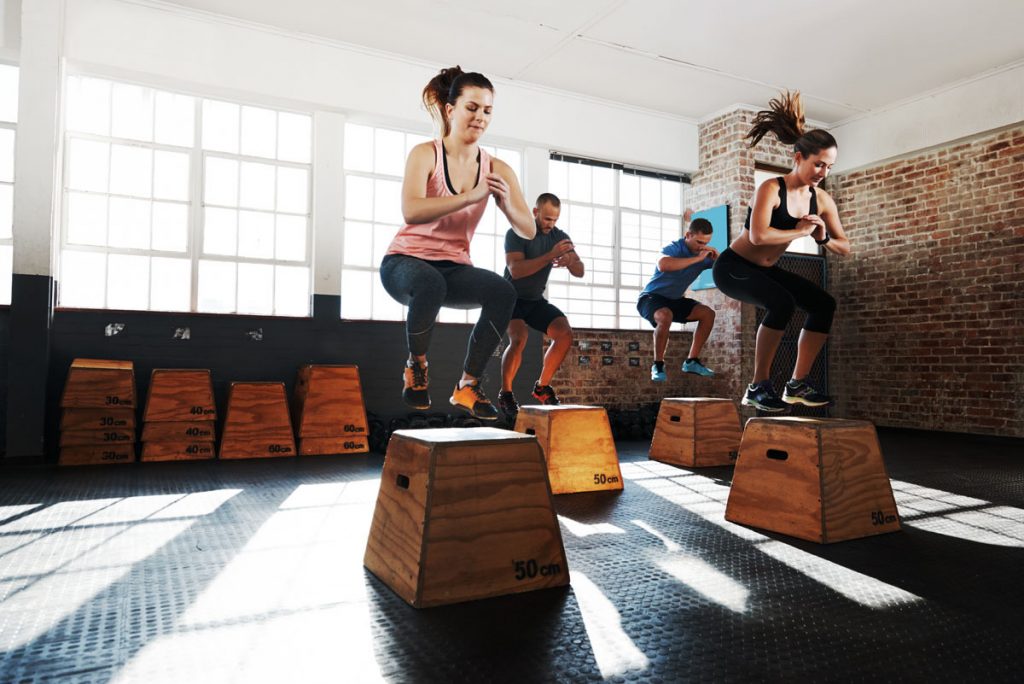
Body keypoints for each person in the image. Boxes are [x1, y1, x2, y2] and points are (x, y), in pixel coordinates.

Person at [380, 66, 535, 420]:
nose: (480, 117)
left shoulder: (497, 168)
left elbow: (527, 230)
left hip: (452, 269)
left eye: (487, 111)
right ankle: (416, 369)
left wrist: (508, 202)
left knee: (502, 292)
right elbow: (411, 210)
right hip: (404, 262)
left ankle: (467, 385)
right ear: (451, 110)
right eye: (472, 107)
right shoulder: (426, 154)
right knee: (429, 284)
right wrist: (471, 197)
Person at [712, 90, 851, 412]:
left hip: (766, 270)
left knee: (822, 303)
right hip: (734, 267)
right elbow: (759, 236)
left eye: (829, 167)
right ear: (798, 158)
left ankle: (796, 383)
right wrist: (800, 230)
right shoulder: (771, 189)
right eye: (818, 164)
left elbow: (844, 246)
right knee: (781, 302)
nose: (822, 173)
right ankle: (758, 385)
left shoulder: (822, 200)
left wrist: (821, 237)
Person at [497, 193, 584, 421]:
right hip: (510, 297)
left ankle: (542, 387)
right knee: (519, 338)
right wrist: (550, 256)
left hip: (534, 300)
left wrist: (570, 261)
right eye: (547, 219)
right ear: (535, 213)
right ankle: (506, 394)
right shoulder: (516, 233)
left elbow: (580, 271)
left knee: (564, 334)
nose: (551, 224)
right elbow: (516, 270)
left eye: (555, 220)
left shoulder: (559, 237)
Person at [636, 209, 718, 382]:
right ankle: (658, 365)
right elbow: (664, 265)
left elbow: (727, 266)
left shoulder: (703, 254)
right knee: (665, 316)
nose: (701, 247)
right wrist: (698, 259)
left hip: (675, 300)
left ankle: (692, 361)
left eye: (706, 243)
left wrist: (718, 259)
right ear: (688, 235)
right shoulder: (674, 247)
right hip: (651, 297)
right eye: (698, 242)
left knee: (708, 313)